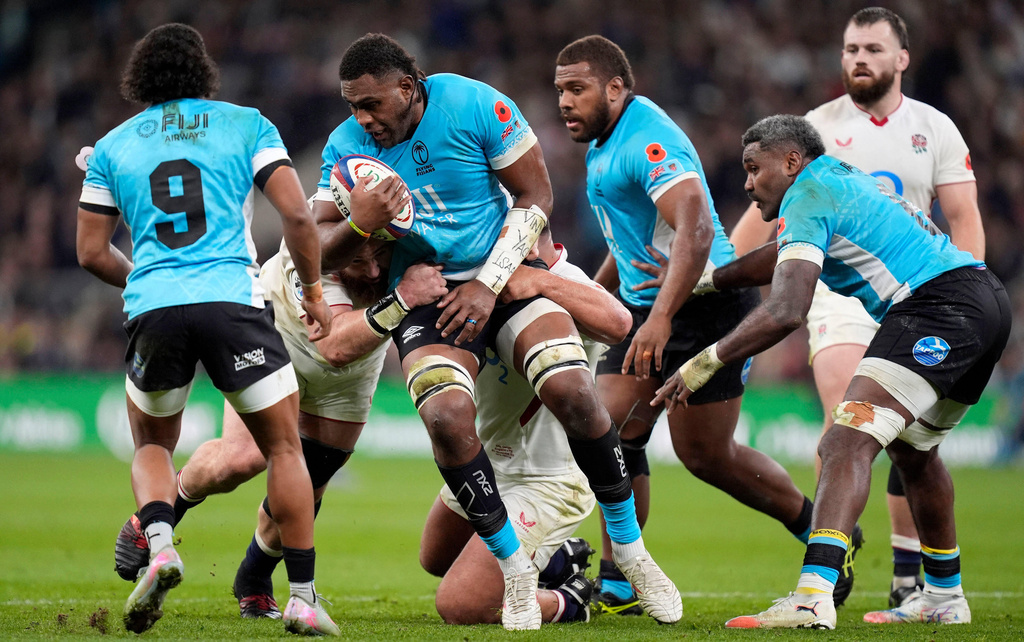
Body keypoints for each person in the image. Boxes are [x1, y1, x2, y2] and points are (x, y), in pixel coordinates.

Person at [312, 33, 681, 630]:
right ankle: (517, 570)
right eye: (353, 106)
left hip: (505, 276)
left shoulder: (476, 105)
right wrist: (360, 221)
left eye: (372, 104)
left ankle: (630, 553)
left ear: (407, 89)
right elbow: (323, 252)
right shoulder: (346, 149)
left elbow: (536, 194)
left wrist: (493, 281)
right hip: (430, 291)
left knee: (570, 388)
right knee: (444, 420)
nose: (363, 119)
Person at [654, 114, 1009, 629]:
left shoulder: (806, 196)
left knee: (845, 440)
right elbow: (780, 257)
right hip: (984, 299)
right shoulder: (833, 179)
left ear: (791, 161)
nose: (747, 183)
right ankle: (944, 594)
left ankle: (811, 595)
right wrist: (713, 281)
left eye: (755, 168)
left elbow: (786, 309)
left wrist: (704, 362)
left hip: (937, 306)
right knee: (914, 452)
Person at [76, 23, 339, 635]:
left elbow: (91, 251)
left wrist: (147, 279)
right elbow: (298, 215)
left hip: (155, 308)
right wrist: (315, 292)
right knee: (282, 448)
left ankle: (162, 544)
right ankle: (301, 597)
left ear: (139, 78)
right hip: (235, 303)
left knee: (151, 446)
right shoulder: (246, 124)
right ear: (203, 72)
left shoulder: (112, 145)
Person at [553, 35, 821, 614]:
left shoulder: (648, 137)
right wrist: (597, 294)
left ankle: (818, 530)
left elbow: (696, 230)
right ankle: (621, 579)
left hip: (703, 308)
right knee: (610, 433)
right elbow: (628, 238)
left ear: (616, 88)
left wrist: (663, 318)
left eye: (577, 89)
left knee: (706, 457)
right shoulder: (601, 143)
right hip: (647, 307)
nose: (565, 102)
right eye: (560, 91)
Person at [728, 7, 985, 609]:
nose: (858, 59)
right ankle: (829, 564)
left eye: (871, 48)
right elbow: (759, 224)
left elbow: (965, 221)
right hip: (836, 295)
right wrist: (708, 282)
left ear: (902, 59)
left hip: (921, 288)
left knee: (909, 441)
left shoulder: (935, 128)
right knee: (852, 413)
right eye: (849, 49)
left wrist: (959, 302)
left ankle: (906, 575)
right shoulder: (814, 127)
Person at [112, 229, 448, 618]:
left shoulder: (411, 226)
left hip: (354, 367)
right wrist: (404, 296)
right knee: (241, 458)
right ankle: (160, 511)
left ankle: (254, 576)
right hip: (278, 333)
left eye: (381, 256)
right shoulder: (310, 236)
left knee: (311, 479)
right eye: (358, 260)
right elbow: (334, 345)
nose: (374, 271)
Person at [419, 227, 632, 625]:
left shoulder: (566, 281)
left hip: (547, 478)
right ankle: (560, 559)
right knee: (434, 558)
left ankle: (570, 599)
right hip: (491, 464)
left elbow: (618, 321)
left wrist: (540, 280)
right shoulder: (478, 281)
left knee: (462, 605)